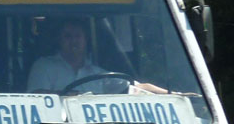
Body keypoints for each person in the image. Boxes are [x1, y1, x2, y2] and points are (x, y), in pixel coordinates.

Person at [27, 20, 168, 94]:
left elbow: (138, 87)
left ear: (86, 40)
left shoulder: (98, 75)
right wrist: (66, 97)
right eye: (67, 36)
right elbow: (36, 96)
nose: (73, 41)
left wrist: (174, 95)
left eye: (78, 36)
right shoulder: (44, 65)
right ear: (59, 40)